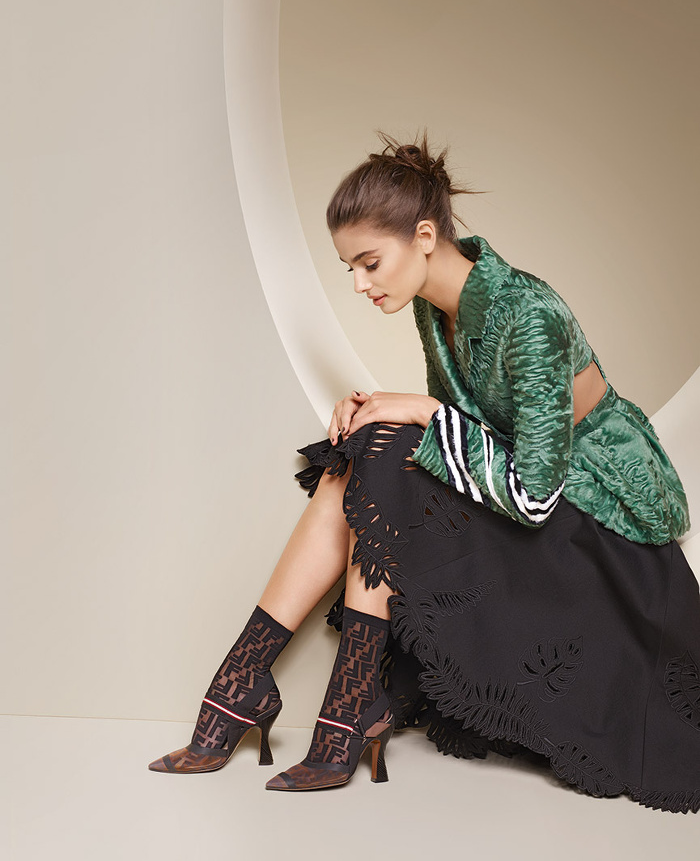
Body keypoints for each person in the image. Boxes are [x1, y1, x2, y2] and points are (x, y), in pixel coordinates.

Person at [148, 130, 700, 813]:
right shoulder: (433, 308)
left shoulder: (529, 315)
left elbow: (534, 494)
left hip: (602, 520)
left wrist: (421, 409)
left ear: (426, 236)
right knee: (369, 445)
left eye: (370, 262)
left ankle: (308, 701)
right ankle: (257, 683)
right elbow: (468, 430)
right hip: (534, 496)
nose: (360, 284)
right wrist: (385, 411)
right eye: (350, 267)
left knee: (386, 444)